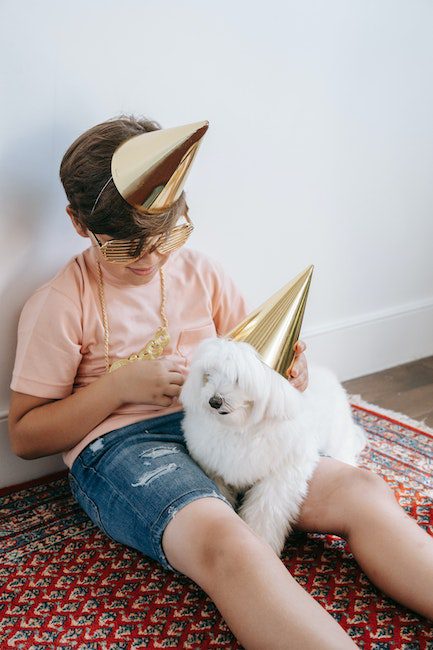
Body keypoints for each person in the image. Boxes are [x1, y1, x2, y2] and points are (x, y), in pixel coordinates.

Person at [8, 116, 433, 650]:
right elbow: (25, 436)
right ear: (77, 223)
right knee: (230, 544)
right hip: (124, 447)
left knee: (361, 488)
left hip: (221, 426)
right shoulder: (61, 304)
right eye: (128, 246)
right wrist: (118, 389)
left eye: (168, 235)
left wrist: (287, 374)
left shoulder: (200, 274)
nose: (154, 255)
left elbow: (254, 361)